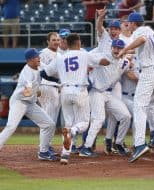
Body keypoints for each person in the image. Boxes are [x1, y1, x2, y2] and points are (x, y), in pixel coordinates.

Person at [43, 33, 110, 164]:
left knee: (68, 122)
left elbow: (46, 73)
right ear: (78, 43)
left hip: (65, 90)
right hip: (80, 90)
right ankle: (72, 131)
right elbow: (104, 62)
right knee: (84, 123)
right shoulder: (84, 54)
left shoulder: (60, 57)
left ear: (67, 44)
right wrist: (110, 58)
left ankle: (65, 154)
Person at [0, 48, 57, 163]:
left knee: (49, 124)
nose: (39, 58)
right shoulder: (26, 73)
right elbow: (27, 93)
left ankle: (43, 152)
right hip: (19, 102)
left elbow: (48, 74)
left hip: (30, 102)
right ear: (29, 60)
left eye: (38, 56)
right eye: (36, 57)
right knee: (11, 126)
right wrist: (38, 91)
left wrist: (60, 81)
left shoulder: (40, 64)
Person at [118, 12, 154, 162]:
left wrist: (123, 50)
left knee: (139, 106)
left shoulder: (140, 31)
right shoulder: (152, 32)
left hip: (149, 73)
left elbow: (141, 40)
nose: (128, 25)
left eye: (129, 22)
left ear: (134, 23)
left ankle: (139, 144)